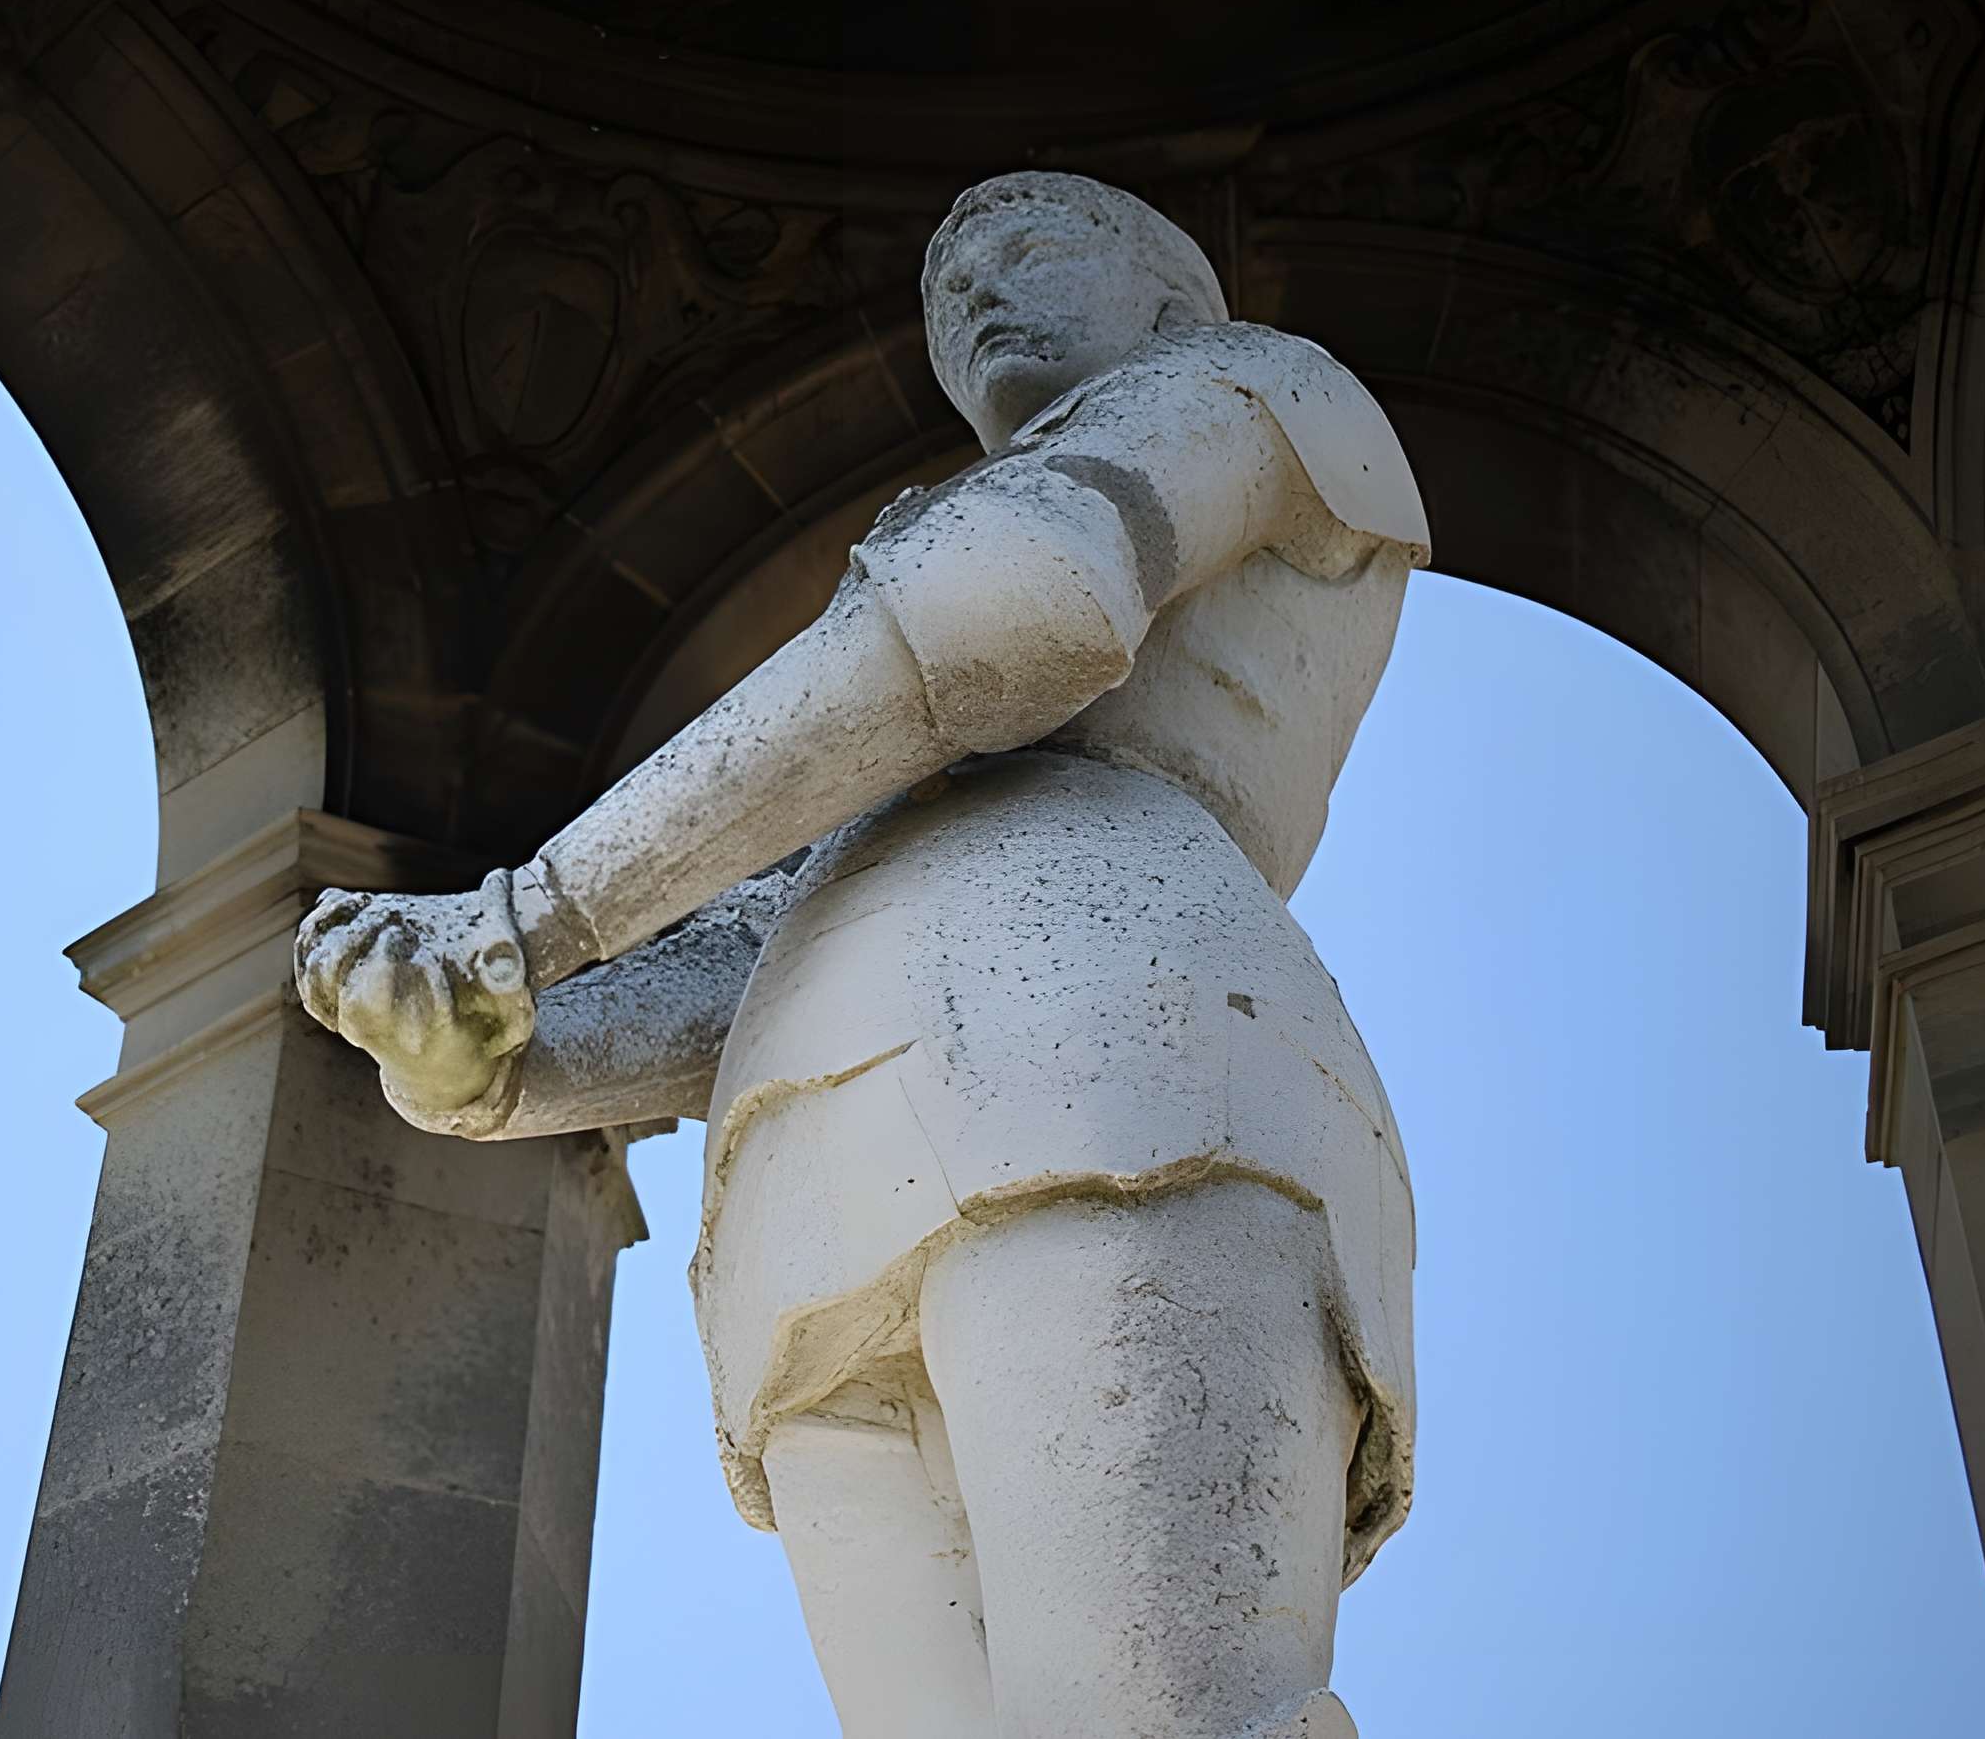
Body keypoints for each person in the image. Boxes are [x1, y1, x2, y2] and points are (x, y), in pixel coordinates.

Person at [294, 171, 1430, 1739]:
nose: (968, 295)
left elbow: (1018, 604)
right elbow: (780, 943)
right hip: (814, 1194)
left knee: (1158, 1717)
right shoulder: (929, 790)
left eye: (1029, 248)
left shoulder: (1256, 385)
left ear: (1175, 300)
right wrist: (485, 1061)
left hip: (1118, 1054)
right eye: (943, 281)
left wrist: (527, 918)